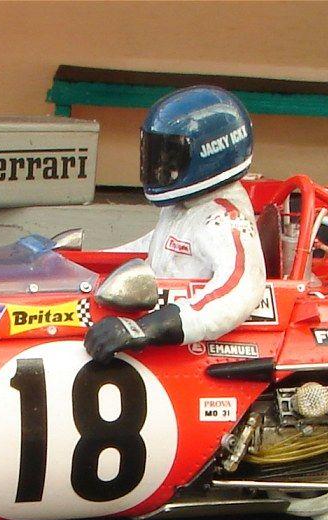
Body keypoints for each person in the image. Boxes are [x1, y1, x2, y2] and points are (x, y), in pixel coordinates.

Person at [84, 85, 265, 363]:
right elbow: (152, 246)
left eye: (170, 154)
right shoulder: (184, 207)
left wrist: (143, 329)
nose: (160, 164)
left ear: (210, 152)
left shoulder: (225, 220)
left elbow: (240, 289)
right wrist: (75, 262)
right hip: (160, 320)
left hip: (196, 349)